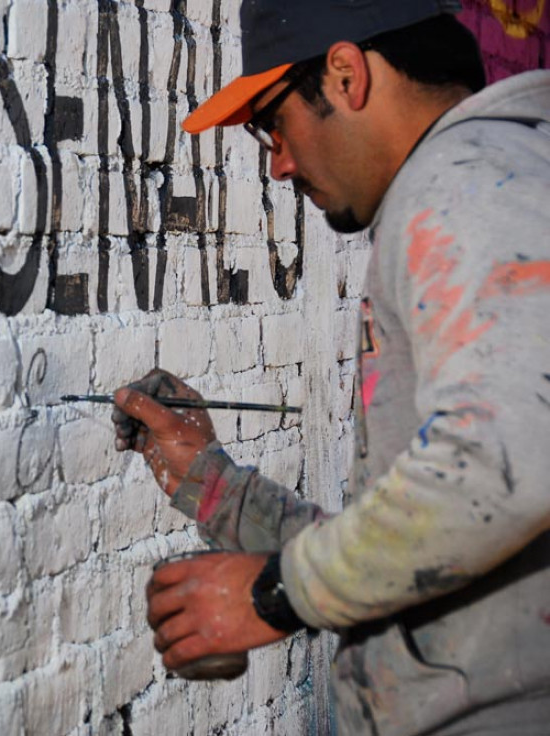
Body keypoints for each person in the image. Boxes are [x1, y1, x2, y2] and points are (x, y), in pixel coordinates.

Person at [111, 1, 550, 733]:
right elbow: (432, 538)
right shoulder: (495, 174)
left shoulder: (467, 181)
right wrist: (214, 486)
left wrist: (272, 596)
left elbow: (508, 458)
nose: (278, 162)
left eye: (273, 124)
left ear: (346, 74)